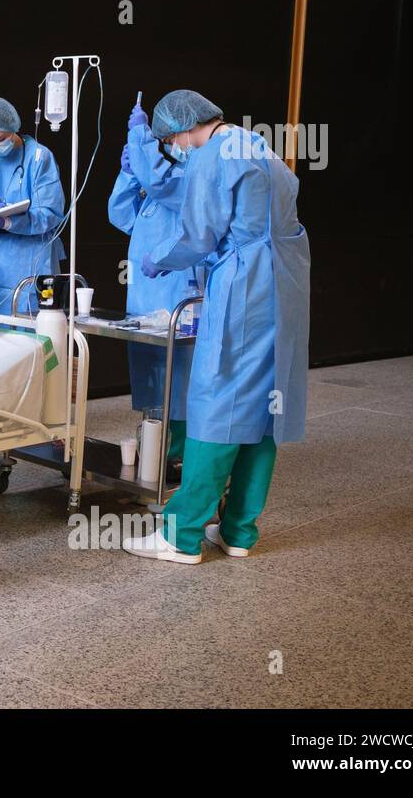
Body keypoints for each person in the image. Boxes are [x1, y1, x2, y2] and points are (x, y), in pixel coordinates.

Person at [122, 90, 311, 564]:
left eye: (173, 140)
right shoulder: (259, 146)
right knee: (267, 403)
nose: (177, 148)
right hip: (286, 282)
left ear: (186, 128)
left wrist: (158, 259)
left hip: (245, 284)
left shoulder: (212, 156)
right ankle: (239, 530)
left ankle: (181, 535)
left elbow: (197, 233)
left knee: (217, 399)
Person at [107, 95, 200, 459]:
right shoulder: (155, 188)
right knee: (151, 376)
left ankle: (179, 453)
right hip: (145, 298)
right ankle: (154, 447)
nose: (168, 148)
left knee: (181, 378)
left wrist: (141, 143)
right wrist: (129, 173)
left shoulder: (188, 180)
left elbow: (164, 184)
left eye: (167, 140)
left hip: (179, 294)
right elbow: (120, 215)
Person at [0, 96, 66, 313]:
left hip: (31, 260)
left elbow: (51, 213)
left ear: (13, 129)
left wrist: (9, 221)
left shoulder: (39, 157)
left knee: (30, 334)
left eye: (0, 139)